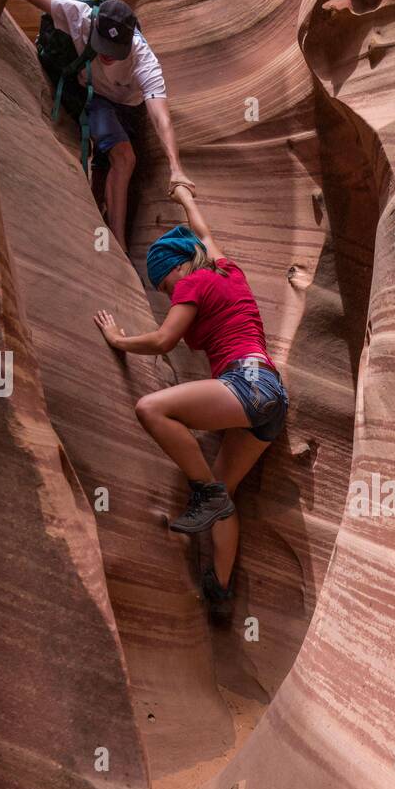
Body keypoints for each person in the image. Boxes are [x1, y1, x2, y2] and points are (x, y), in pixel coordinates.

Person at [94, 185, 288, 609]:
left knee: (151, 408)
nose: (168, 295)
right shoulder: (225, 269)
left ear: (180, 267)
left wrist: (118, 340)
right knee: (226, 490)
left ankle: (203, 492)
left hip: (247, 383)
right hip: (267, 395)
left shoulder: (194, 283)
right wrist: (185, 196)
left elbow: (164, 340)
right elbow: (203, 232)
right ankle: (219, 590)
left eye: (166, 285)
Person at [10, 0, 194, 251]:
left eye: (114, 51)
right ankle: (118, 244)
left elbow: (160, 116)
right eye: (102, 46)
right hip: (96, 97)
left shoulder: (143, 58)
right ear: (94, 23)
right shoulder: (80, 15)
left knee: (115, 164)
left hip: (130, 107)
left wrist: (176, 167)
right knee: (125, 158)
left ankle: (103, 209)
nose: (107, 55)